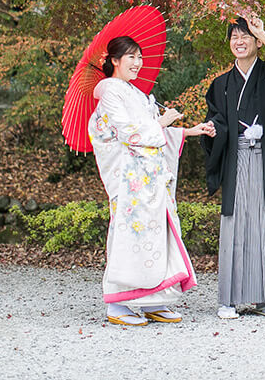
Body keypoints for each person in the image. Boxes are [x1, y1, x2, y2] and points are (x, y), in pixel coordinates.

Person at [90, 35, 212, 327]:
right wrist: (161, 122)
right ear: (114, 61)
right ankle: (119, 303)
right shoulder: (110, 92)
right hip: (130, 180)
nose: (137, 63)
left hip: (150, 178)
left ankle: (153, 300)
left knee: (158, 235)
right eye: (130, 57)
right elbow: (124, 131)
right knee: (129, 236)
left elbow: (153, 133)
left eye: (139, 57)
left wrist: (188, 131)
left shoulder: (137, 93)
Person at [199, 15, 265, 319]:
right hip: (238, 159)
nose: (239, 41)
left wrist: (263, 31)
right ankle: (228, 300)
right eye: (234, 37)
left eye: (245, 36)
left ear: (257, 42)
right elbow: (219, 118)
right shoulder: (221, 84)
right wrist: (213, 129)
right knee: (237, 228)